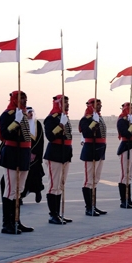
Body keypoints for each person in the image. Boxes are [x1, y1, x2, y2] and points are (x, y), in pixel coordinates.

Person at [0, 91, 34, 234]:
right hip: (12, 154)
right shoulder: (7, 115)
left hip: (23, 154)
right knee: (10, 190)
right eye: (21, 99)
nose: (24, 101)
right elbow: (4, 135)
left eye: (25, 98)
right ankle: (7, 223)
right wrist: (16, 122)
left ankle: (16, 221)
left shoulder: (24, 114)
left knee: (19, 190)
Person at [43, 95, 73, 224]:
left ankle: (58, 213)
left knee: (61, 185)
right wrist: (60, 125)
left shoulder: (65, 117)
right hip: (54, 154)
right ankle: (52, 214)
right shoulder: (51, 119)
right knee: (53, 186)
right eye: (64, 102)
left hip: (65, 154)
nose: (67, 104)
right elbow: (50, 136)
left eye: (68, 102)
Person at [79, 98, 107, 216]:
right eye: (97, 105)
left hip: (100, 151)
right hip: (91, 151)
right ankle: (88, 207)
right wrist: (93, 123)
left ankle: (94, 206)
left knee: (95, 180)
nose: (100, 107)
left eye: (100, 104)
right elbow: (86, 133)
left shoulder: (99, 117)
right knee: (88, 181)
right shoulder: (85, 119)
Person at [116, 102, 132, 208]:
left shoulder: (130, 120)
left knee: (129, 176)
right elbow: (126, 133)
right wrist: (131, 124)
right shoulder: (122, 120)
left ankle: (128, 199)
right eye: (131, 108)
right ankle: (123, 201)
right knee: (124, 176)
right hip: (127, 148)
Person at [22, 107, 44, 204]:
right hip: (23, 154)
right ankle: (20, 196)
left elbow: (40, 139)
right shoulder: (22, 124)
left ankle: (37, 192)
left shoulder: (37, 124)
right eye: (28, 112)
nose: (30, 114)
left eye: (31, 112)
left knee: (35, 175)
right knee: (23, 177)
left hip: (35, 156)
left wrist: (34, 152)